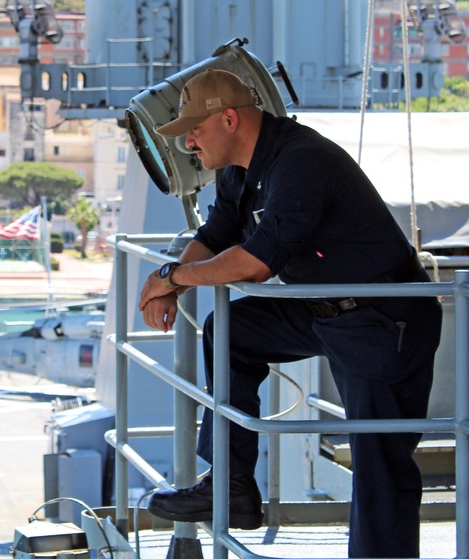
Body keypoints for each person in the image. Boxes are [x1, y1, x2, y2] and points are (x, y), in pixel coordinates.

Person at [138, 69, 442, 558]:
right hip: (322, 310)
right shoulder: (241, 167)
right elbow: (216, 236)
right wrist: (172, 284)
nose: (188, 142)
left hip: (383, 320)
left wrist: (172, 280)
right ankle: (231, 485)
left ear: (230, 119)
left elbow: (255, 264)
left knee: (378, 465)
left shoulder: (301, 161)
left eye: (194, 128)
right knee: (232, 330)